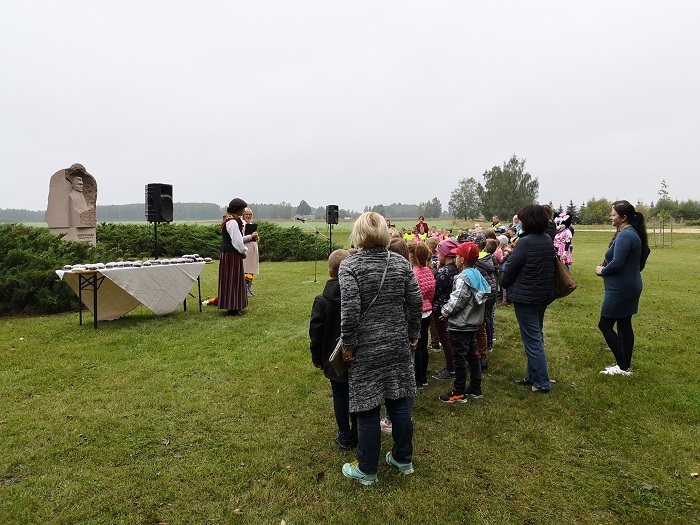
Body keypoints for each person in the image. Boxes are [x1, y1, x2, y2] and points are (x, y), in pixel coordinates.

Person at [339, 212, 422, 485]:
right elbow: (416, 301)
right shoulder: (401, 263)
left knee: (367, 408)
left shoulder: (350, 265)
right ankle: (403, 458)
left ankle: (367, 469)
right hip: (397, 343)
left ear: (358, 233)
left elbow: (350, 309)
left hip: (365, 348)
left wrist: (348, 344)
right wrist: (413, 333)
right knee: (399, 403)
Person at [500, 204, 557, 393]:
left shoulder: (525, 242)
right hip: (542, 296)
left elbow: (510, 268)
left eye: (522, 219)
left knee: (533, 340)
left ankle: (541, 382)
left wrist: (504, 282)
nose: (519, 222)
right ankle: (532, 376)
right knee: (536, 336)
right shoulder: (546, 239)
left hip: (527, 297)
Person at [595, 200, 650, 376]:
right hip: (629, 285)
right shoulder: (630, 233)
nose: (610, 217)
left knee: (605, 325)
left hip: (621, 288)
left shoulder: (626, 235)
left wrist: (602, 270)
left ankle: (622, 366)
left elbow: (617, 262)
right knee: (624, 324)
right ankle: (625, 366)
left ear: (623, 217)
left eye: (613, 214)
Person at [309, 249, 357, 450]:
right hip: (352, 354)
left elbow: (316, 333)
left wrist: (316, 357)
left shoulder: (322, 300)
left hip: (333, 356)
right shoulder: (356, 296)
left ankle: (346, 434)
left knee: (340, 393)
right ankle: (355, 431)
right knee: (353, 393)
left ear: (330, 272)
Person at [438, 242, 489, 403]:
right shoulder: (477, 274)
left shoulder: (463, 278)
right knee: (472, 355)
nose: (455, 259)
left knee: (459, 358)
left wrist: (445, 312)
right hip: (473, 323)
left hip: (461, 324)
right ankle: (475, 387)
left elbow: (457, 300)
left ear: (462, 259)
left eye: (457, 256)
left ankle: (459, 392)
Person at [431, 239, 460, 381]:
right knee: (450, 338)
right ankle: (453, 365)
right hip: (452, 308)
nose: (437, 255)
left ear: (446, 254)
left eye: (439, 253)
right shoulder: (456, 269)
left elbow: (435, 291)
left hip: (441, 310)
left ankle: (451, 368)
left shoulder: (443, 272)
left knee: (445, 339)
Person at [408, 241, 435, 387]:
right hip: (428, 310)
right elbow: (431, 292)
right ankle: (423, 375)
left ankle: (417, 377)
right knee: (424, 344)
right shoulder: (429, 271)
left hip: (417, 312)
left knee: (416, 346)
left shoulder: (415, 273)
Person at [218, 198, 249, 316]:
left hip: (228, 254)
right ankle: (233, 308)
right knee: (233, 280)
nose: (244, 211)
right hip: (232, 254)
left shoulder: (230, 220)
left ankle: (234, 305)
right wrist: (243, 251)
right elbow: (237, 241)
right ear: (237, 209)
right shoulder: (232, 222)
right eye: (242, 209)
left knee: (230, 280)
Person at [241, 208, 260, 296]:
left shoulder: (251, 225)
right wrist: (251, 236)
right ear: (243, 215)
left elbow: (255, 239)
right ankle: (245, 290)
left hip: (253, 251)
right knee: (246, 270)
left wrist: (256, 237)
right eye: (246, 214)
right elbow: (240, 239)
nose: (248, 216)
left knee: (251, 270)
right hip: (246, 251)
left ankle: (249, 288)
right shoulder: (242, 225)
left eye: (250, 214)